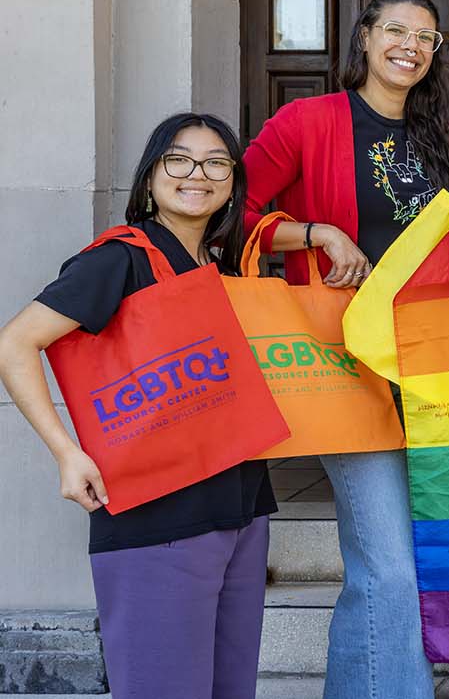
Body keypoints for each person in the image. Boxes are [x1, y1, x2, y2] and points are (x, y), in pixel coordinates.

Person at [242, 0, 449, 699]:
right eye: (397, 30)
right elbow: (231, 210)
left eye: (425, 37)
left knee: (400, 564)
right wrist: (315, 232)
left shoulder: (443, 142)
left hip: (434, 371)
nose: (410, 45)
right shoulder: (307, 122)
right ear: (366, 38)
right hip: (346, 366)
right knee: (389, 566)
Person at [0, 113, 273, 699]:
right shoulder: (118, 260)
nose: (197, 174)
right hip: (158, 515)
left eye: (216, 163)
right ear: (150, 177)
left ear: (232, 182)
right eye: (179, 159)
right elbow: (15, 343)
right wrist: (66, 454)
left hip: (242, 504)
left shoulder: (216, 266)